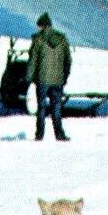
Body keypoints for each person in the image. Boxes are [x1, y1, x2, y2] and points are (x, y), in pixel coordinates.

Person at [27, 13, 71, 142]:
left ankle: (39, 135)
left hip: (42, 80)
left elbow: (33, 60)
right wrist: (64, 77)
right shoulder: (62, 39)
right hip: (58, 80)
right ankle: (59, 135)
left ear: (41, 26)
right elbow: (68, 61)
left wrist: (29, 77)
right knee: (56, 108)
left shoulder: (38, 40)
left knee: (41, 108)